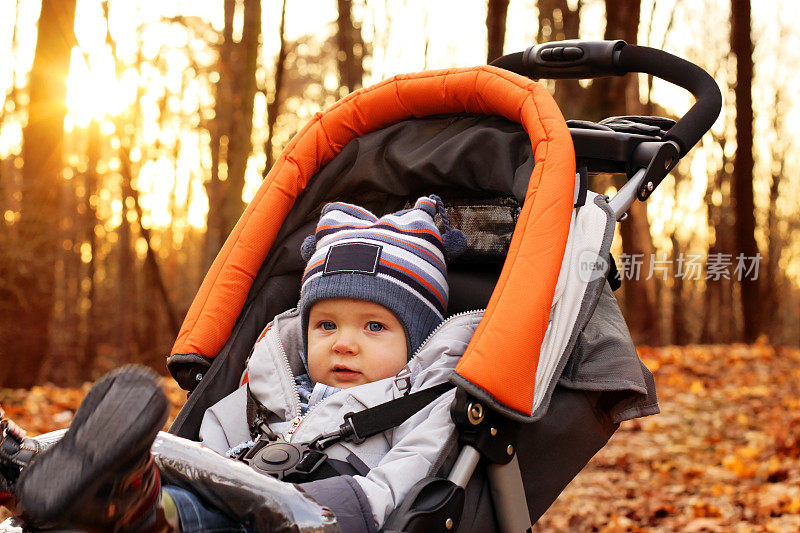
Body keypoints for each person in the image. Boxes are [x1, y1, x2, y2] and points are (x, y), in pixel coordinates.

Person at [3, 195, 474, 532]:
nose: (343, 344)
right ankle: (36, 475)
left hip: (313, 515)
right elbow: (207, 443)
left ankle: (136, 507)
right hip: (229, 486)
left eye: (373, 328)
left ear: (416, 341)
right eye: (326, 326)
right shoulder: (274, 384)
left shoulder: (420, 401)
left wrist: (344, 507)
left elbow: (410, 474)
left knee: (215, 518)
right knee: (181, 478)